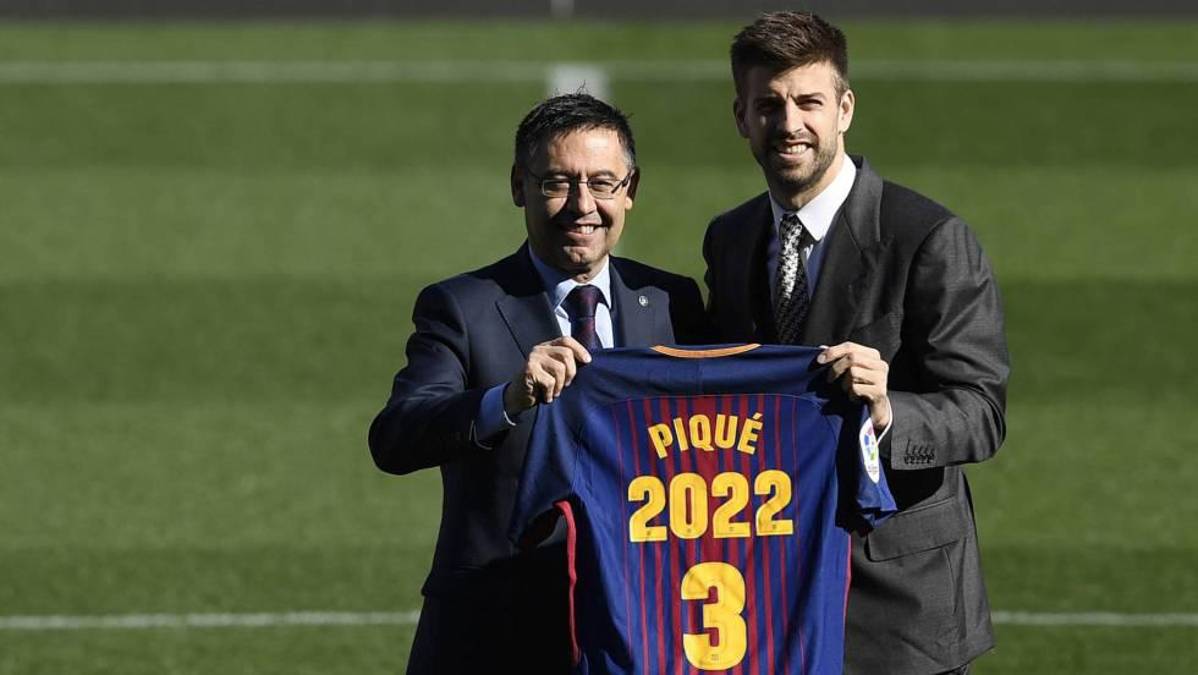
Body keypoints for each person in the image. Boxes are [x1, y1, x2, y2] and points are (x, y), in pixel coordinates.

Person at [703, 12, 1009, 675]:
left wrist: (888, 410)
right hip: (768, 594)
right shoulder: (729, 239)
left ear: (844, 108)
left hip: (899, 612)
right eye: (769, 105)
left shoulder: (929, 238)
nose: (789, 124)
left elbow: (981, 412)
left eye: (809, 102)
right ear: (741, 117)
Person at [369, 93, 707, 674]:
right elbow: (396, 437)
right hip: (494, 636)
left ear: (630, 190)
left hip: (641, 628)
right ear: (518, 186)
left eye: (602, 183)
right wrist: (507, 399)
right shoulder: (461, 307)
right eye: (558, 183)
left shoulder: (673, 302)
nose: (582, 205)